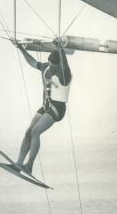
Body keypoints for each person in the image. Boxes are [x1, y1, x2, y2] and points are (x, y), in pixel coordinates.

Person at [11, 43, 72, 175]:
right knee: (28, 132)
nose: (51, 68)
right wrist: (21, 49)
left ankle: (29, 166)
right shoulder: (46, 67)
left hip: (57, 108)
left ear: (59, 65)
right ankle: (19, 164)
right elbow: (32, 62)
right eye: (49, 65)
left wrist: (61, 49)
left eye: (53, 66)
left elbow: (65, 64)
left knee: (35, 132)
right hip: (46, 105)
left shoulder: (64, 74)